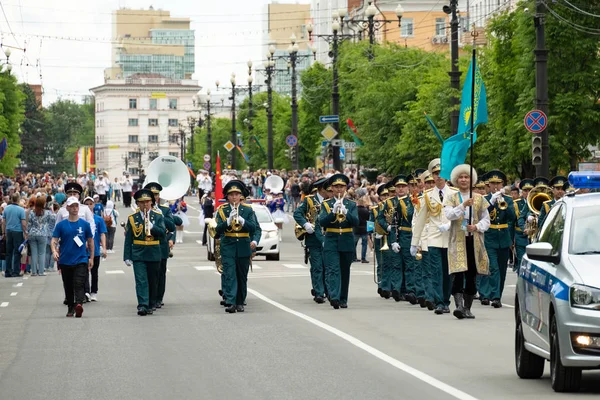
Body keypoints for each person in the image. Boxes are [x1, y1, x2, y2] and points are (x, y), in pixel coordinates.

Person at [443, 164, 490, 320]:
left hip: (473, 239)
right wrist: (463, 205)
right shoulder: (451, 197)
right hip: (458, 239)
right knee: (457, 272)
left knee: (471, 274)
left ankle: (467, 308)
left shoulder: (479, 198)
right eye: (461, 177)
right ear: (456, 180)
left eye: (466, 177)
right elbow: (449, 215)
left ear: (471, 180)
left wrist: (476, 226)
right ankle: (458, 306)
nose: (463, 180)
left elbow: (486, 220)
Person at [411, 158, 456, 314]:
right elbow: (420, 220)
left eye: (441, 173)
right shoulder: (427, 195)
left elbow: (461, 215)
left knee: (448, 271)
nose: (438, 177)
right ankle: (439, 302)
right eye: (435, 174)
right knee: (436, 270)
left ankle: (446, 299)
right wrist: (414, 242)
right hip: (434, 237)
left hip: (450, 236)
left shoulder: (455, 193)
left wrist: (450, 225)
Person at [214, 180, 259, 313]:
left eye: (236, 194)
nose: (234, 197)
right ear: (227, 197)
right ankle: (231, 302)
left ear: (240, 196)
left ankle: (240, 301)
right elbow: (217, 230)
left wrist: (243, 221)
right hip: (228, 245)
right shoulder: (222, 210)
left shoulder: (248, 210)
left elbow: (254, 228)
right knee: (230, 274)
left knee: (241, 275)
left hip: (244, 245)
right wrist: (228, 221)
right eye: (231, 194)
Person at [319, 174, 359, 309]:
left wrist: (346, 212)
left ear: (346, 188)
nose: (339, 189)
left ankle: (343, 298)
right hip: (331, 239)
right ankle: (334, 296)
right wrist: (333, 212)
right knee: (333, 269)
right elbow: (322, 222)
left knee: (344, 270)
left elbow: (356, 222)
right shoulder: (326, 204)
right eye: (336, 187)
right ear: (332, 188)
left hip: (347, 239)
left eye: (341, 186)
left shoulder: (351, 204)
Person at [123, 189, 166, 316]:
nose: (145, 204)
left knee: (153, 280)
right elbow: (128, 239)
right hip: (138, 253)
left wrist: (153, 227)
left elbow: (163, 234)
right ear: (137, 204)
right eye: (142, 202)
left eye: (147, 202)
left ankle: (151, 303)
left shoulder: (158, 216)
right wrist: (127, 255)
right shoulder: (132, 218)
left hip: (153, 252)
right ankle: (142, 304)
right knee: (141, 280)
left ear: (152, 202)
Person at [51, 197, 94, 317]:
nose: (75, 208)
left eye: (77, 206)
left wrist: (91, 258)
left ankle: (78, 304)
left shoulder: (84, 224)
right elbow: (54, 240)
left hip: (81, 259)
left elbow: (90, 242)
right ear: (68, 208)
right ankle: (70, 307)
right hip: (65, 259)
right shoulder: (61, 225)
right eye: (72, 206)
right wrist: (54, 251)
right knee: (68, 284)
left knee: (78, 283)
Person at [480, 170, 516, 309]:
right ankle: (494, 296)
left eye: (498, 183)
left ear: (502, 185)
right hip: (490, 237)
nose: (496, 186)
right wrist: (491, 202)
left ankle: (498, 295)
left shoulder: (507, 199)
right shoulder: (485, 200)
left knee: (501, 269)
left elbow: (512, 217)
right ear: (489, 185)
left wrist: (504, 204)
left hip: (504, 238)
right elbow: (480, 215)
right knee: (493, 268)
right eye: (493, 183)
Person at [293, 177, 328, 303]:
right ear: (321, 189)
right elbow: (297, 214)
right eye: (328, 188)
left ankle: (327, 290)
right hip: (313, 239)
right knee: (317, 266)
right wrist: (305, 224)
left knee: (328, 266)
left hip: (328, 238)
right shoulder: (309, 200)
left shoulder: (331, 201)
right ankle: (319, 292)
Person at [144, 182, 176, 309]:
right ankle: (148, 297)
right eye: (152, 194)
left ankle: (158, 298)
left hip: (161, 246)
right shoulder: (141, 209)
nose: (155, 197)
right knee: (147, 274)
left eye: (156, 194)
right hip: (146, 246)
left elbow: (172, 226)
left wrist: (160, 215)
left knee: (160, 273)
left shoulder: (165, 210)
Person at [83, 197, 107, 302]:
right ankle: (86, 291)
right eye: (86, 204)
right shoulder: (81, 219)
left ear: (94, 205)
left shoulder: (98, 219)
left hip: (95, 250)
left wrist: (104, 248)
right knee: (83, 272)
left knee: (94, 272)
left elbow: (102, 234)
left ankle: (94, 292)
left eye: (91, 204)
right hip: (83, 251)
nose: (89, 206)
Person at [26, 196, 52, 276]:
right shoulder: (47, 213)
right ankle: (41, 271)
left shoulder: (32, 212)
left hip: (32, 233)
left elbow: (29, 224)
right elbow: (50, 222)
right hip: (43, 234)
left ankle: (33, 271)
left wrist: (28, 232)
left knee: (34, 253)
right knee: (41, 253)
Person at [2, 193, 27, 278]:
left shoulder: (6, 209)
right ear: (18, 200)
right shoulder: (21, 210)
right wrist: (25, 232)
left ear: (12, 199)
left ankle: (8, 271)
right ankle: (16, 271)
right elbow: (23, 223)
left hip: (9, 231)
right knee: (17, 251)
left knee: (8, 252)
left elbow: (3, 222)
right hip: (18, 231)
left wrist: (3, 232)